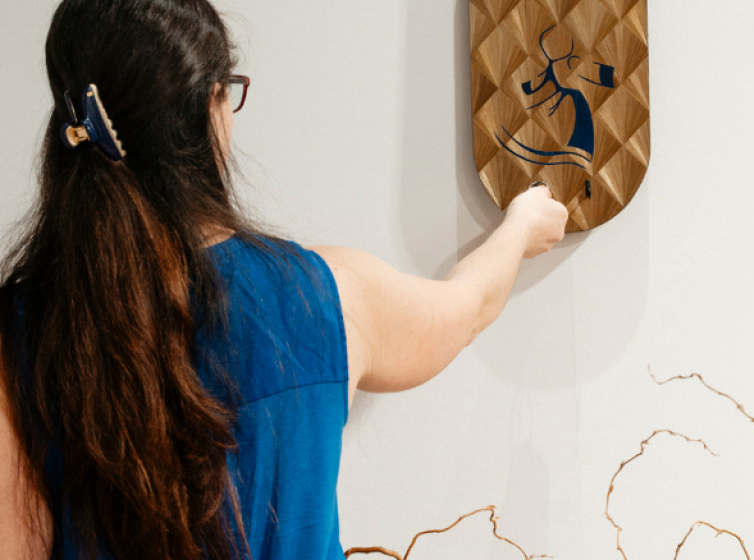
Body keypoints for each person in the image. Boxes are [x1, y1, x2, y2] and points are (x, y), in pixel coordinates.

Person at [0, 0, 568, 559]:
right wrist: (519, 228)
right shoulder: (324, 295)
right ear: (210, 107)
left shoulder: (17, 336)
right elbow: (465, 308)